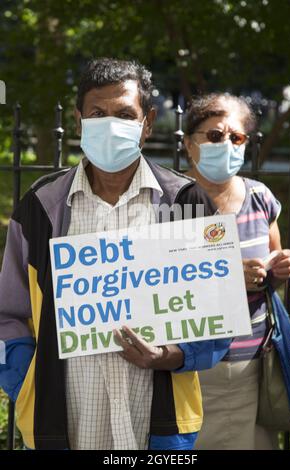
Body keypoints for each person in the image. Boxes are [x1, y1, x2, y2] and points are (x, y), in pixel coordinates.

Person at [0, 59, 232, 451]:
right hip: (63, 423)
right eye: (97, 113)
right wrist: (28, 380)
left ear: (147, 122)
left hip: (158, 425)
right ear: (79, 121)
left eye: (124, 114)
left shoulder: (187, 203)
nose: (110, 124)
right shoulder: (41, 207)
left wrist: (173, 355)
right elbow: (7, 313)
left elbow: (220, 317)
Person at [184, 93, 290, 450]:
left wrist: (282, 266)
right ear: (189, 143)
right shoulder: (169, 200)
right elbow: (153, 284)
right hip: (189, 367)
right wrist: (228, 279)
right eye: (215, 136)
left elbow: (272, 260)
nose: (227, 144)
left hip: (253, 365)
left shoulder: (261, 197)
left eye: (237, 137)